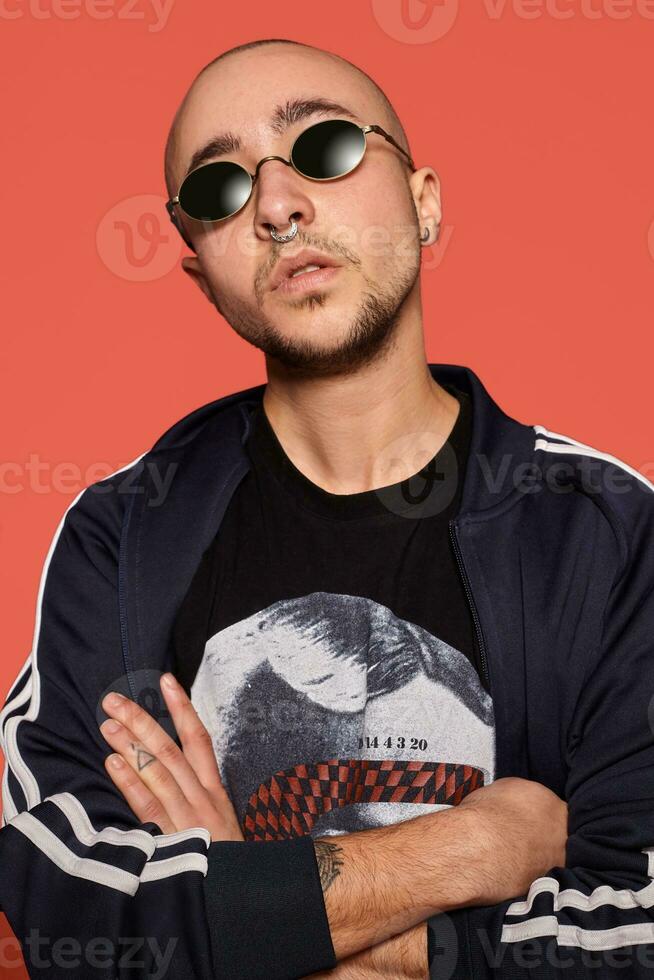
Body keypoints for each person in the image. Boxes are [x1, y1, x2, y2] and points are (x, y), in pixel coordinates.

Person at [1, 36, 653, 980]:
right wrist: (471, 850)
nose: (275, 204)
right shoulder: (128, 532)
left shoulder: (609, 535)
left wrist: (241, 898)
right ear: (199, 272)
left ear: (424, 202)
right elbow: (71, 902)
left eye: (327, 148)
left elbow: (631, 933)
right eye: (221, 188)